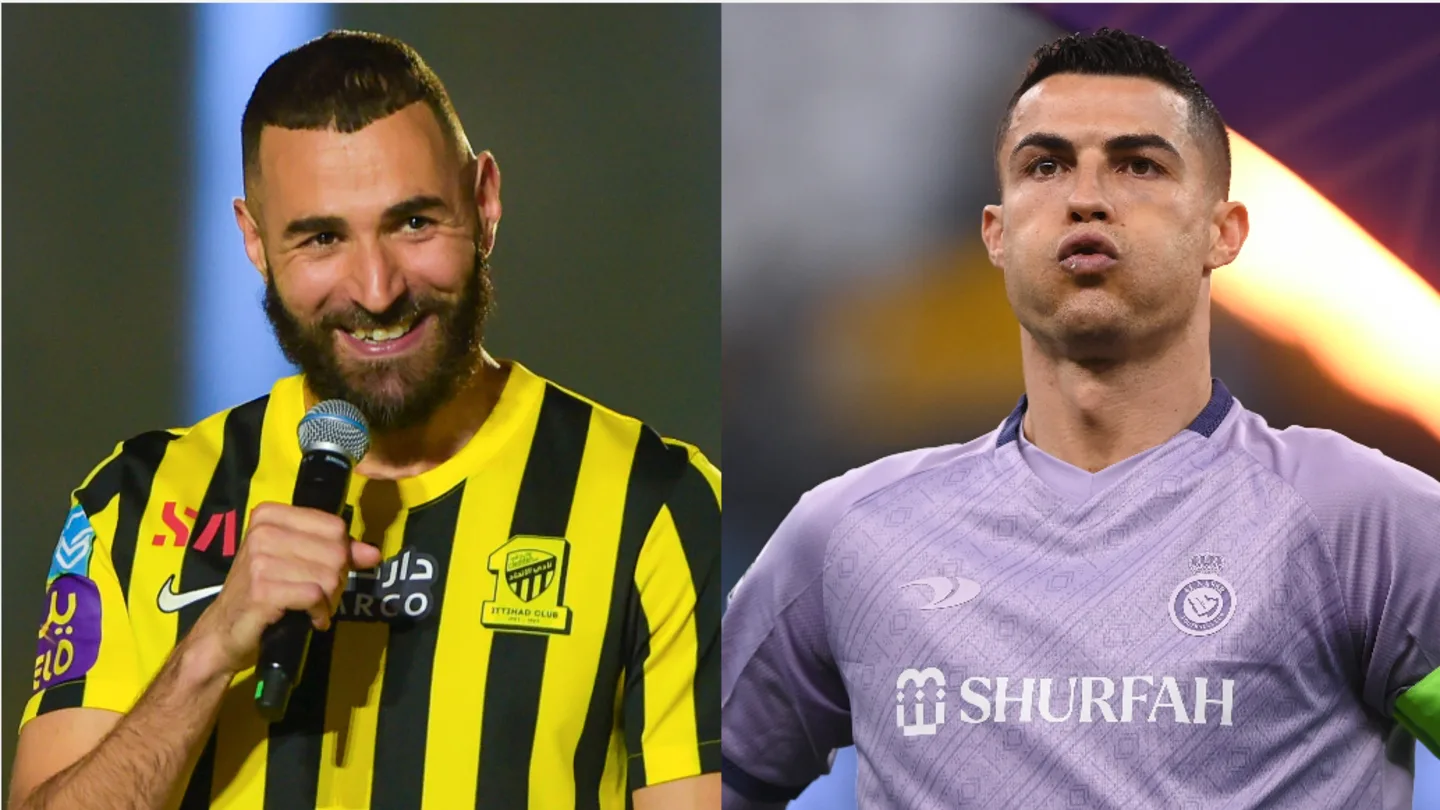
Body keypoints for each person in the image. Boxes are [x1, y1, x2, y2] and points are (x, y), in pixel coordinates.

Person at [720, 27, 1439, 810]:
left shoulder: (1366, 527)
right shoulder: (845, 536)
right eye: (1046, 165)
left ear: (1223, 233)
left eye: (1139, 166)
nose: (1087, 197)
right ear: (996, 231)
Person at [11, 30, 719, 810]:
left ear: (484, 204)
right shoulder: (132, 504)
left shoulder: (660, 507)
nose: (377, 289)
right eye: (322, 238)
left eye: (414, 223)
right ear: (254, 241)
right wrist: (209, 651)